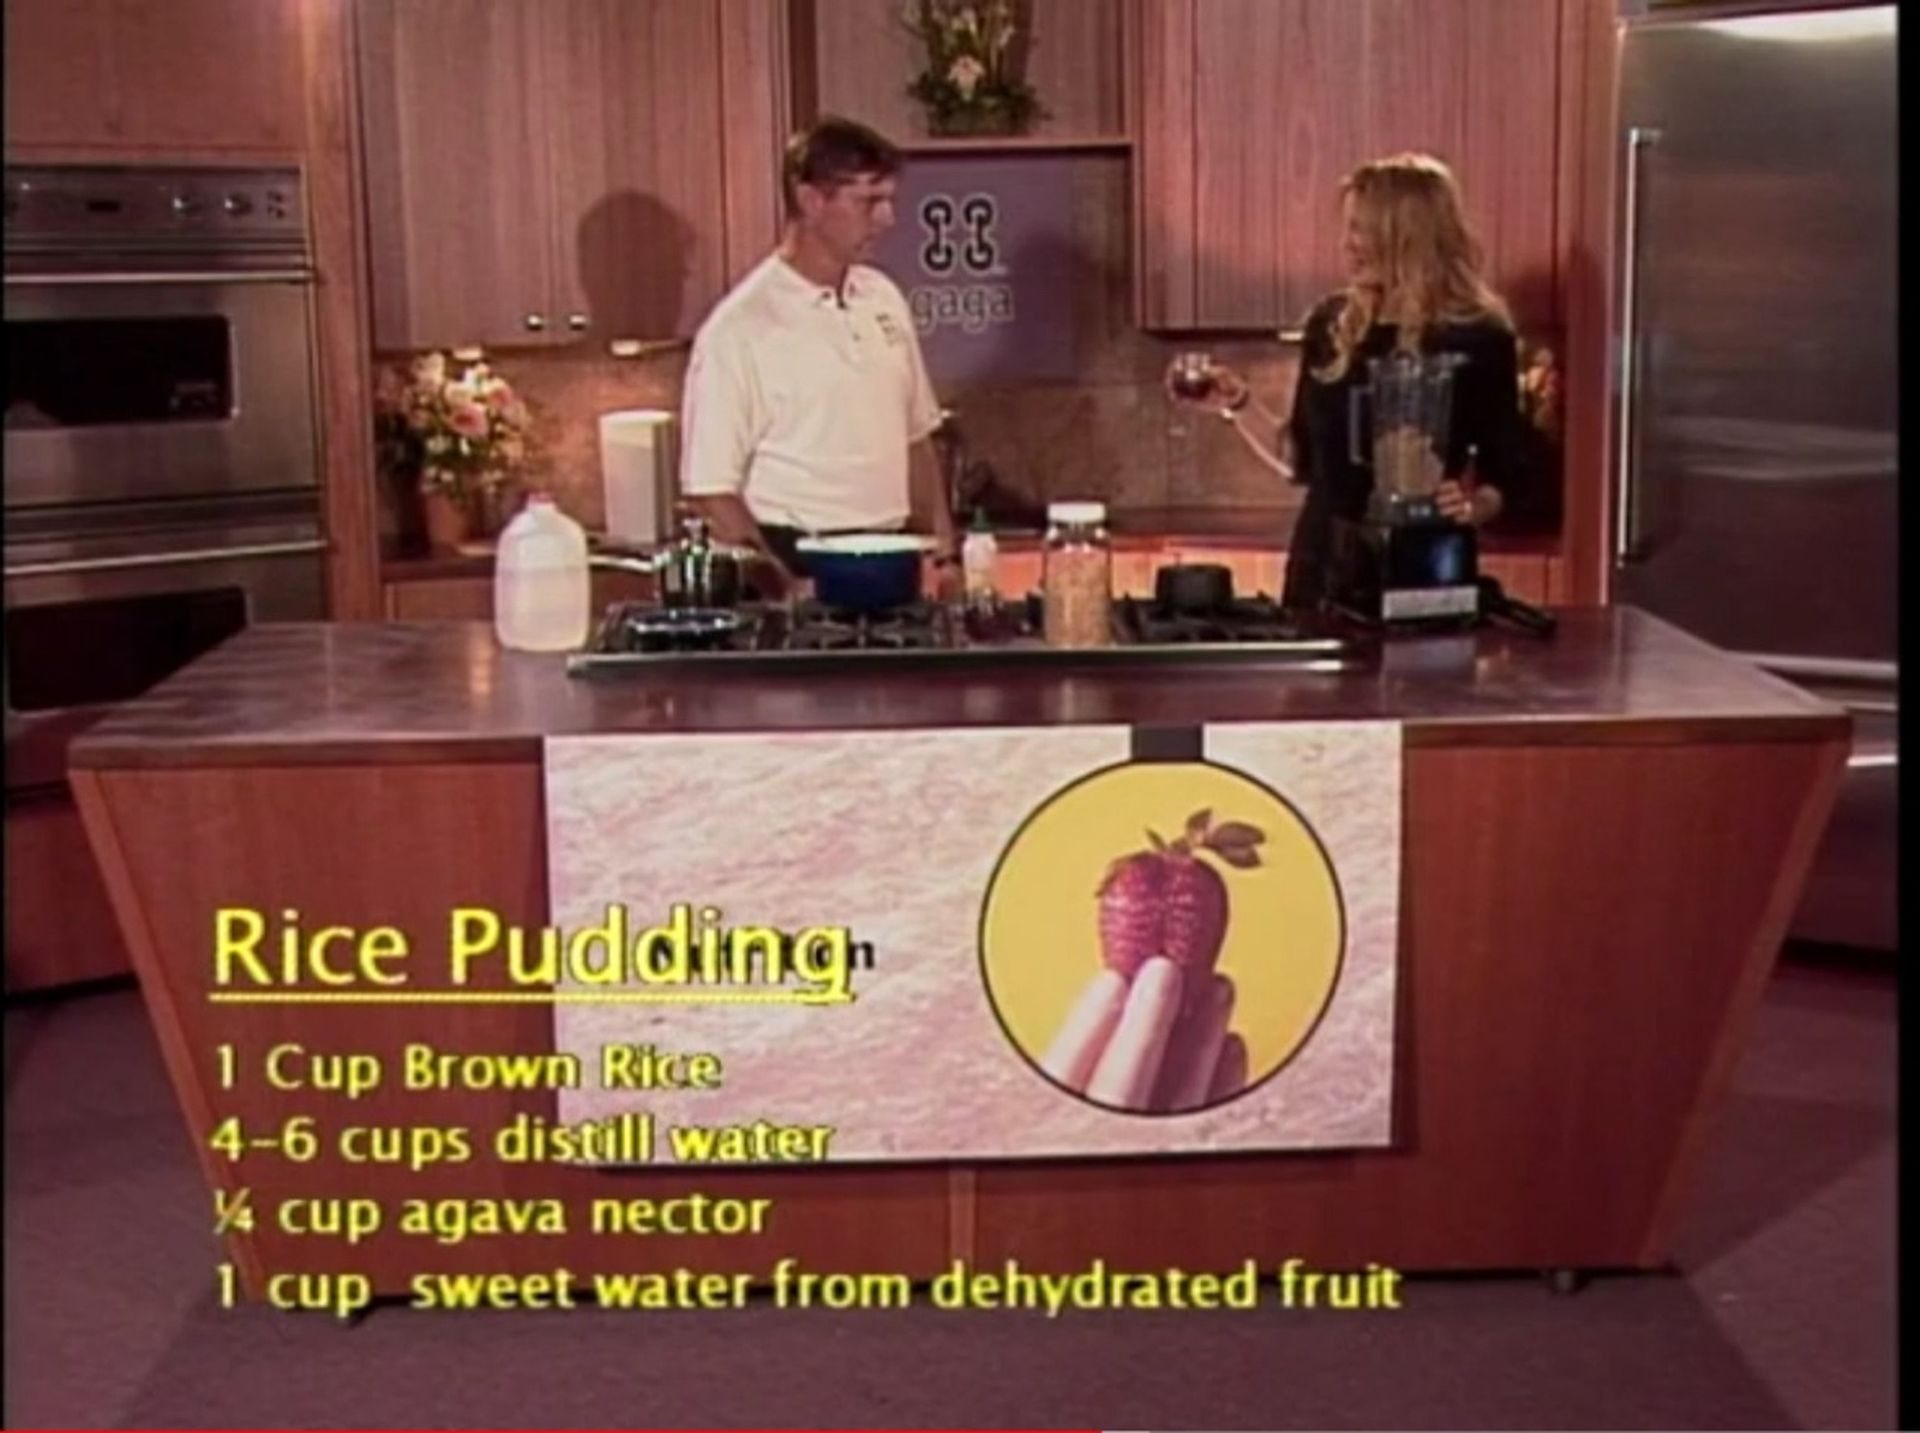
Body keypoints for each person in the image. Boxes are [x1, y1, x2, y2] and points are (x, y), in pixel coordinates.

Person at [1167, 152, 1530, 612]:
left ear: (1408, 236)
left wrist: (1473, 505)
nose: (1348, 244)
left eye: (1362, 229)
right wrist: (1237, 404)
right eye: (1348, 228)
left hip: (1419, 566)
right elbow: (1302, 462)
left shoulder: (1480, 336)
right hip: (1323, 569)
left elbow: (1509, 472)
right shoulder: (1332, 325)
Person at [678, 116, 959, 592]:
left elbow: (917, 439)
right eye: (869, 201)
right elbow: (711, 491)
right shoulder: (740, 329)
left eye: (889, 200)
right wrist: (783, 584)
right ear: (811, 201)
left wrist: (944, 555)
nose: (888, 219)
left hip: (893, 557)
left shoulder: (883, 297)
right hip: (799, 557)